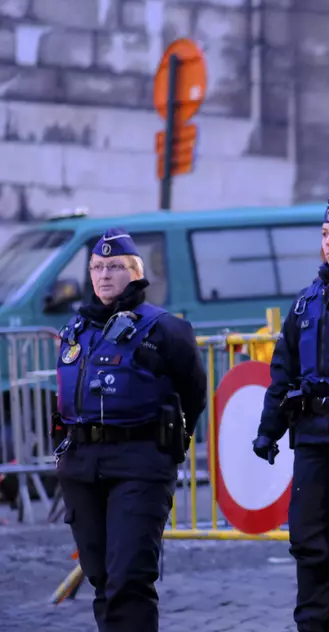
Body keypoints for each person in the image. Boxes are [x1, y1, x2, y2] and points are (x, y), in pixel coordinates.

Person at [54, 228, 207, 632]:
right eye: (97, 267)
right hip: (83, 464)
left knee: (129, 578)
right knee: (102, 576)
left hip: (140, 461)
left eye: (115, 267)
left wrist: (172, 443)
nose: (105, 276)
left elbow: (193, 391)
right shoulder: (77, 328)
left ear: (136, 273)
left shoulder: (165, 330)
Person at [252, 195, 329, 632]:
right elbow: (283, 370)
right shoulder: (307, 301)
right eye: (325, 234)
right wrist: (268, 431)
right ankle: (311, 624)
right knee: (308, 540)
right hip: (311, 437)